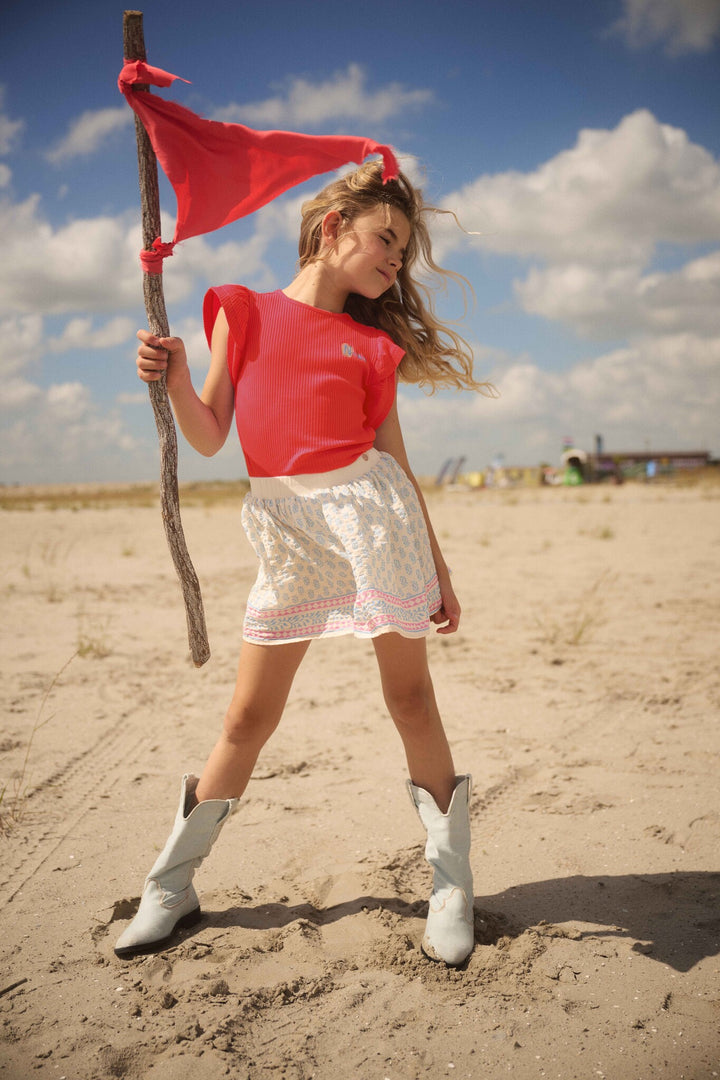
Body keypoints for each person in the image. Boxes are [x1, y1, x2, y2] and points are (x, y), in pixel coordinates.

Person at [114, 161, 492, 968]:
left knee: (410, 698)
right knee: (247, 717)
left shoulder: (374, 344)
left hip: (373, 521)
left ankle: (452, 887)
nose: (396, 261)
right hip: (286, 530)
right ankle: (171, 887)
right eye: (386, 240)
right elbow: (209, 435)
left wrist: (440, 569)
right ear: (333, 227)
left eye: (403, 251)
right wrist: (175, 378)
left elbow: (397, 466)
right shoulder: (242, 311)